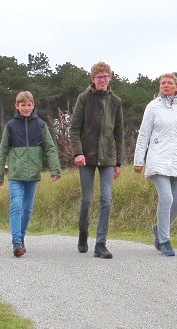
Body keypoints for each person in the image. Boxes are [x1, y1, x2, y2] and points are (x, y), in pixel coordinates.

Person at [132, 73, 177, 257]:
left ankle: (158, 228)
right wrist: (139, 160)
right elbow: (143, 134)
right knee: (167, 198)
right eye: (163, 83)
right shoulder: (153, 107)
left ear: (176, 87)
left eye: (170, 83)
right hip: (158, 158)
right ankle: (164, 240)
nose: (166, 85)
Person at [69, 61, 127, 259]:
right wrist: (78, 152)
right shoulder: (83, 99)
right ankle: (83, 234)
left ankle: (101, 244)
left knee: (107, 199)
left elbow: (119, 133)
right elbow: (74, 128)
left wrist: (118, 162)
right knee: (87, 200)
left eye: (106, 76)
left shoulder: (116, 102)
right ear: (92, 79)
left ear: (110, 78)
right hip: (86, 156)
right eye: (99, 76)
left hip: (108, 157)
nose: (102, 79)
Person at [0, 91, 61, 258]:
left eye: (29, 104)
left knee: (27, 208)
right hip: (16, 175)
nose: (26, 108)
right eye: (23, 105)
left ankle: (21, 238)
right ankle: (16, 241)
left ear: (33, 105)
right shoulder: (10, 126)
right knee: (16, 206)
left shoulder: (40, 125)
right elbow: (3, 151)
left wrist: (55, 169)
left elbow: (50, 148)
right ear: (17, 106)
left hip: (33, 175)